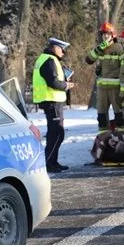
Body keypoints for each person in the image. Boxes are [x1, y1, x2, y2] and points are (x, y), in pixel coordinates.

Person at [33, 37, 75, 173]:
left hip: (52, 101)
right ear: (55, 48)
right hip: (52, 101)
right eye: (62, 49)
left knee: (56, 133)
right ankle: (48, 163)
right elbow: (53, 82)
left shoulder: (47, 59)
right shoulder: (49, 60)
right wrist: (66, 85)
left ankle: (53, 162)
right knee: (56, 134)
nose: (64, 52)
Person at [87, 22, 124, 131]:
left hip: (115, 87)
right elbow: (89, 60)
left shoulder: (118, 48)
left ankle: (121, 133)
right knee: (101, 114)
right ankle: (103, 135)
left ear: (113, 35)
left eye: (107, 34)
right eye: (103, 34)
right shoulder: (100, 48)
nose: (105, 36)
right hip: (102, 88)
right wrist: (99, 48)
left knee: (118, 112)